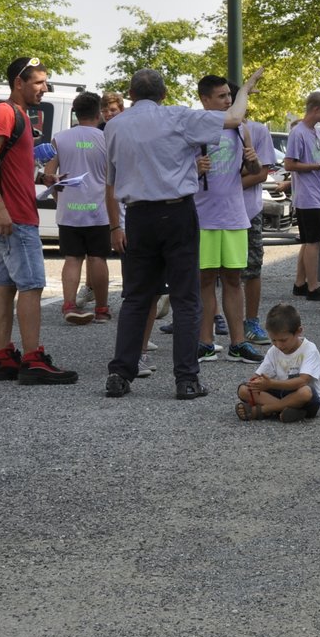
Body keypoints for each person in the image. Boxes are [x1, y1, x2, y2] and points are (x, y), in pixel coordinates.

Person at [103, 66, 263, 400]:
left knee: (136, 297)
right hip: (177, 211)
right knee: (186, 297)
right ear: (163, 94)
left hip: (137, 214)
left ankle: (120, 373)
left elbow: (112, 177)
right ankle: (187, 379)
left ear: (131, 95)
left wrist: (115, 224)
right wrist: (246, 87)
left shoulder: (115, 125)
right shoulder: (179, 117)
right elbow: (234, 116)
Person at [0, 56, 77, 386]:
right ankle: (34, 360)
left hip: (14, 213)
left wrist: (42, 178)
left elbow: (9, 167)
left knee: (6, 285)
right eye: (38, 82)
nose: (44, 88)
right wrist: (0, 206)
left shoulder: (20, 115)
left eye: (45, 82)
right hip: (14, 217)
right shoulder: (5, 112)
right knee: (32, 286)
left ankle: (3, 357)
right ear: (17, 83)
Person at [187, 75, 262, 366]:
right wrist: (195, 169)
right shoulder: (194, 128)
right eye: (220, 97)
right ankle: (205, 343)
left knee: (233, 280)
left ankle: (238, 343)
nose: (228, 101)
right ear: (205, 100)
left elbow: (253, 170)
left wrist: (253, 160)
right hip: (203, 216)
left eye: (229, 96)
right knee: (204, 280)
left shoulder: (241, 129)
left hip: (234, 215)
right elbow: (179, 172)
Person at [53, 91, 111, 326]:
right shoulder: (106, 139)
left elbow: (50, 175)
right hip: (98, 209)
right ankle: (102, 309)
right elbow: (112, 176)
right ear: (98, 113)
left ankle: (69, 304)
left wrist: (59, 200)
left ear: (75, 113)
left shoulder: (60, 138)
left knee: (73, 258)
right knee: (97, 258)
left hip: (69, 209)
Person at [285, 92, 320, 302]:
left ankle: (300, 283)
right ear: (316, 109)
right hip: (307, 197)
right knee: (314, 242)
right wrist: (318, 166)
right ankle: (313, 287)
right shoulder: (298, 133)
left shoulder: (314, 132)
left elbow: (315, 160)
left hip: (316, 193)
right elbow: (289, 164)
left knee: (309, 242)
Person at [235, 303, 320, 422]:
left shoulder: (309, 349)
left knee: (305, 392)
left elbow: (303, 381)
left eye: (283, 340)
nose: (278, 345)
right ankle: (286, 410)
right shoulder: (274, 351)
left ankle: (264, 410)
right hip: (282, 394)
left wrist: (270, 384)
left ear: (299, 331)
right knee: (244, 389)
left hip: (307, 400)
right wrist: (256, 383)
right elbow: (257, 376)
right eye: (274, 340)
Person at [238, 114, 278, 343]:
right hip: (214, 214)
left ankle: (251, 322)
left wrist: (228, 186)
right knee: (209, 272)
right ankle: (211, 323)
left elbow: (261, 172)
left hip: (248, 211)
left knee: (252, 267)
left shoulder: (257, 131)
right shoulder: (209, 129)